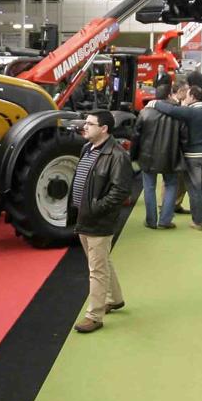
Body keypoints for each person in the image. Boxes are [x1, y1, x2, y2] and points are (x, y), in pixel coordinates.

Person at [70, 111, 133, 334]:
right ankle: (114, 299)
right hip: (84, 216)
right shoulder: (87, 149)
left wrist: (96, 209)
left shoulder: (117, 155)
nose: (84, 127)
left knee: (96, 269)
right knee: (101, 261)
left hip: (98, 219)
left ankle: (94, 315)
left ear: (104, 128)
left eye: (90, 123)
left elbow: (120, 191)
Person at [155, 86, 202, 229]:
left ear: (193, 97)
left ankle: (198, 221)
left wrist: (155, 103)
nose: (185, 98)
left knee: (194, 188)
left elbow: (171, 110)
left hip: (193, 155)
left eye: (187, 96)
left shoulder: (192, 111)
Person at [133, 84, 185, 230]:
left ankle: (151, 220)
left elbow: (136, 136)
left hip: (147, 157)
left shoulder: (145, 112)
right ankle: (165, 220)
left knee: (149, 188)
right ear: (169, 95)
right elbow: (184, 137)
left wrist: (133, 155)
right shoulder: (178, 113)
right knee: (171, 186)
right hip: (170, 156)